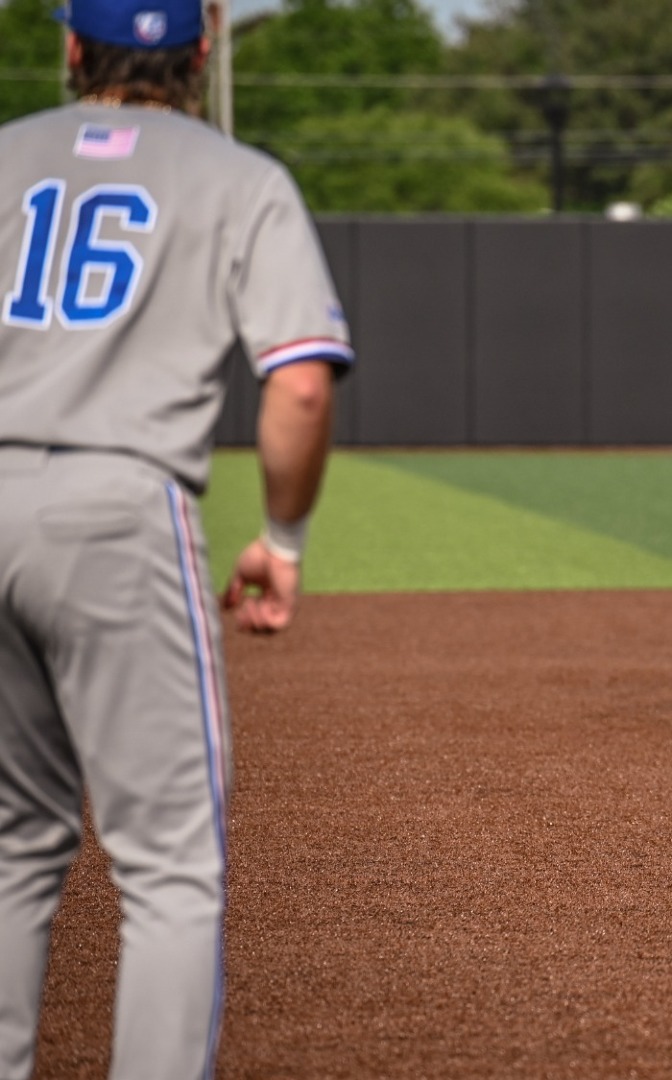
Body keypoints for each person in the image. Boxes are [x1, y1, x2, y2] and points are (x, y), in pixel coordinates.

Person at [0, 0, 350, 1073]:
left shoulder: (7, 157)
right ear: (202, 52)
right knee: (169, 867)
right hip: (117, 511)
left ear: (70, 46)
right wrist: (281, 538)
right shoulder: (240, 176)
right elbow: (297, 385)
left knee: (11, 843)